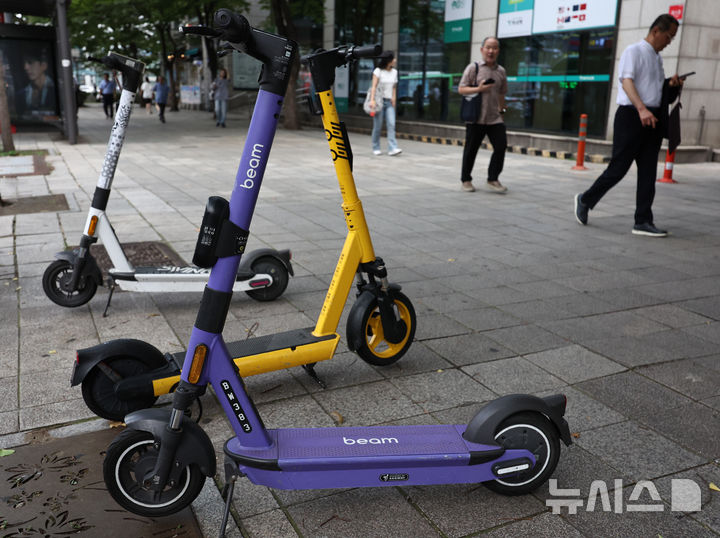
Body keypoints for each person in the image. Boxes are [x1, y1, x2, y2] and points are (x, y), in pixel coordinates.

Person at [574, 14, 683, 238]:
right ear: (656, 31)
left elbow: (656, 93)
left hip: (651, 119)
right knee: (618, 169)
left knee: (647, 172)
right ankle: (585, 199)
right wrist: (641, 109)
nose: (669, 42)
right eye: (669, 36)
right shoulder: (634, 51)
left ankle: (642, 220)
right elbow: (626, 81)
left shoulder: (657, 58)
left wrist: (670, 86)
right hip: (631, 117)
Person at [458, 36, 508, 193]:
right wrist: (478, 89)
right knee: (471, 149)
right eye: (488, 47)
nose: (491, 51)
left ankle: (493, 178)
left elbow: (502, 93)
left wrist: (502, 111)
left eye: (494, 48)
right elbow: (461, 89)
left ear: (498, 51)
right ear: (482, 49)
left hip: (494, 118)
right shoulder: (473, 68)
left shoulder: (501, 71)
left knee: (501, 146)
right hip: (476, 117)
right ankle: (466, 179)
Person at [369, 51, 402, 156]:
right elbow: (373, 86)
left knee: (391, 124)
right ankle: (376, 147)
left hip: (389, 102)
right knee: (378, 126)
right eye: (393, 58)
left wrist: (394, 98)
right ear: (389, 61)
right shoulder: (378, 71)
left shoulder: (395, 72)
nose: (395, 60)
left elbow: (394, 87)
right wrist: (372, 100)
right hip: (379, 101)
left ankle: (393, 148)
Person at [20, 50, 56, 115]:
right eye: (24, 63)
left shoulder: (56, 89)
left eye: (30, 62)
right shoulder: (21, 93)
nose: (26, 67)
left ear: (43, 66)